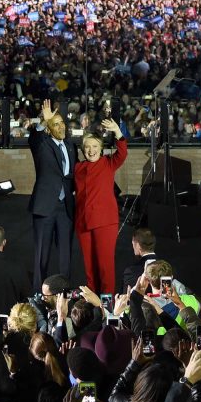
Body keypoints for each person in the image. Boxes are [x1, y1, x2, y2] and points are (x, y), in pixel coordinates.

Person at [72, 121, 127, 294]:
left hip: (104, 221)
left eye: (95, 146)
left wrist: (117, 131)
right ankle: (92, 300)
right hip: (83, 223)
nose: (91, 150)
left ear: (101, 148)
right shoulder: (78, 168)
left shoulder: (108, 163)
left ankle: (107, 303)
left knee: (105, 265)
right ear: (82, 149)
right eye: (87, 147)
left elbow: (123, 152)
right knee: (89, 266)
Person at [28, 99, 77, 287]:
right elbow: (33, 139)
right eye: (56, 124)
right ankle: (39, 294)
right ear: (49, 128)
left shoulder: (71, 147)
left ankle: (64, 291)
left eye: (62, 122)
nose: (61, 127)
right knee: (42, 253)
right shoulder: (42, 145)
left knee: (65, 254)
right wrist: (43, 122)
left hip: (66, 208)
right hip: (46, 206)